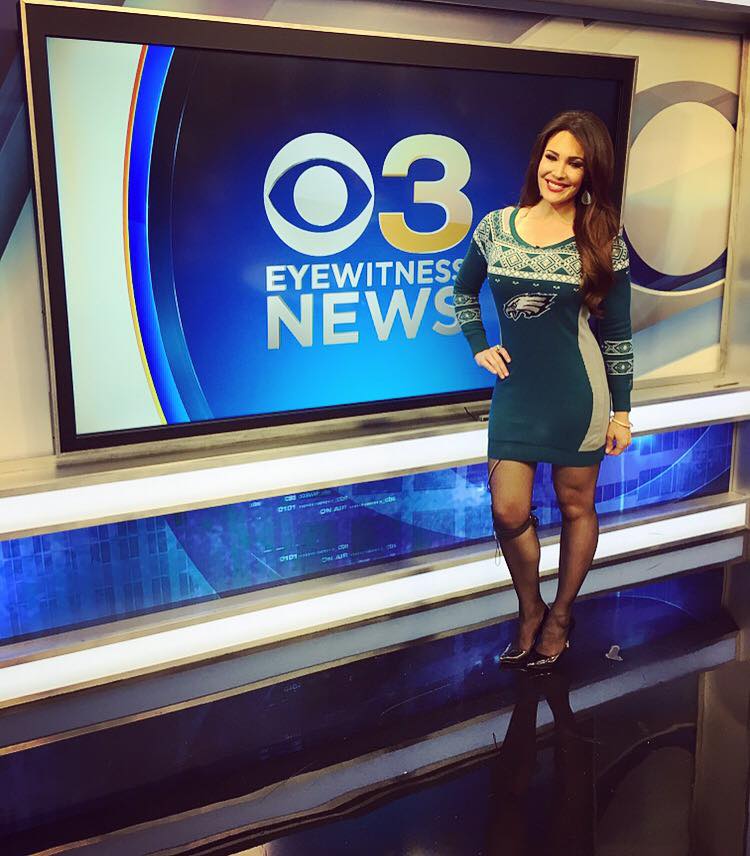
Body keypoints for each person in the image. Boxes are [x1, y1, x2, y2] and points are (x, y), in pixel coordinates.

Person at [452, 109, 634, 670]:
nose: (558, 172)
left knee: (577, 506)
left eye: (574, 163)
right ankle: (530, 607)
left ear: (589, 172)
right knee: (508, 511)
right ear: (538, 159)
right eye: (552, 157)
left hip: (580, 396)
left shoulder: (603, 237)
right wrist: (479, 343)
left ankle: (560, 617)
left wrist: (622, 413)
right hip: (516, 395)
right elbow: (463, 291)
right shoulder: (495, 227)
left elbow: (618, 332)